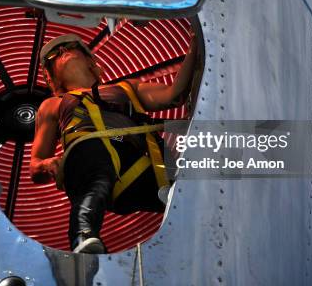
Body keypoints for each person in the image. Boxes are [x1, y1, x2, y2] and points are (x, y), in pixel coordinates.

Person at [30, 31, 198, 253]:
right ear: (52, 77)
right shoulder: (52, 105)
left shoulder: (127, 88)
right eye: (54, 55)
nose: (62, 52)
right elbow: (35, 164)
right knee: (93, 158)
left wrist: (196, 45)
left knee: (196, 186)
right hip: (90, 157)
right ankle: (83, 235)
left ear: (90, 60)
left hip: (140, 163)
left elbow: (173, 94)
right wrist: (47, 164)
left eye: (69, 47)